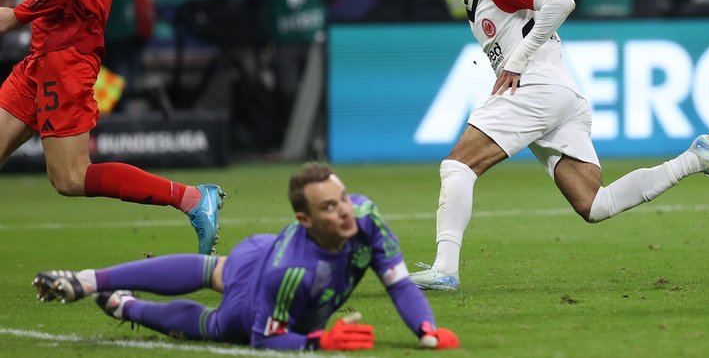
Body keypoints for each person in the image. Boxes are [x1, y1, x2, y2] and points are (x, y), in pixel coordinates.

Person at [410, 0, 709, 292]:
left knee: (458, 166)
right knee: (595, 204)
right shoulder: (474, 1)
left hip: (538, 88)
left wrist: (517, 60)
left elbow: (561, 1)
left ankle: (445, 269)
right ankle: (695, 158)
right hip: (561, 96)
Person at [32, 163, 460, 352]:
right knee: (212, 325)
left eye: (343, 198)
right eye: (329, 207)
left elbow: (400, 283)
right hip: (258, 288)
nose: (345, 210)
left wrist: (426, 329)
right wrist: (318, 341)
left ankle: (89, 281)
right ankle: (128, 305)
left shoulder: (366, 218)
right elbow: (265, 339)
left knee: (210, 270)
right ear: (304, 219)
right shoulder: (291, 275)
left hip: (259, 249)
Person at [0, 0, 223, 255]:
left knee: (71, 176)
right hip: (46, 54)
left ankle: (192, 199)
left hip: (64, 54)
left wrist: (17, 15)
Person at [251, 0, 336, 145]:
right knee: (289, 90)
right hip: (285, 40)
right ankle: (295, 139)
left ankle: (322, 139)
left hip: (315, 40)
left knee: (323, 90)